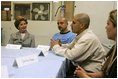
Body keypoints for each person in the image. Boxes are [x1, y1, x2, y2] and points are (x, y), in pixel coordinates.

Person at [50, 13, 107, 77]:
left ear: (81, 25)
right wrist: (60, 45)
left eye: (74, 23)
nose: (71, 25)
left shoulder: (87, 38)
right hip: (83, 67)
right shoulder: (81, 35)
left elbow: (71, 55)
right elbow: (70, 46)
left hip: (91, 71)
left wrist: (55, 47)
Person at [74, 9, 117, 78]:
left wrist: (84, 76)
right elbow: (104, 74)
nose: (106, 27)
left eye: (108, 24)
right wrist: (87, 74)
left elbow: (72, 55)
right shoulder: (114, 48)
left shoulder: (88, 37)